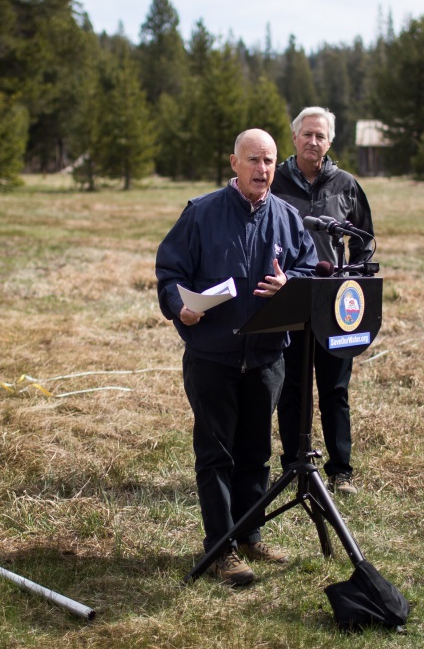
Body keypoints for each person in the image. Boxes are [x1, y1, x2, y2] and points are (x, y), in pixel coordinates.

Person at [156, 128, 318, 586]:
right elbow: (170, 272)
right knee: (216, 454)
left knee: (256, 452)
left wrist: (293, 285)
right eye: (253, 161)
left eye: (268, 161)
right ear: (233, 163)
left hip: (267, 358)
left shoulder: (287, 217)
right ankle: (221, 548)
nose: (262, 170)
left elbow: (308, 269)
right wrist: (179, 307)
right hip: (213, 356)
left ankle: (250, 535)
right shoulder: (200, 214)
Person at [271, 107, 374, 495]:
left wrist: (353, 279)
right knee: (291, 386)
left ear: (330, 142)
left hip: (335, 304)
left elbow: (364, 239)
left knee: (334, 388)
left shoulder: (345, 184)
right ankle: (293, 466)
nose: (313, 141)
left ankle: (340, 471)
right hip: (289, 296)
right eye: (307, 134)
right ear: (294, 138)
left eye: (321, 136)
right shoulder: (273, 180)